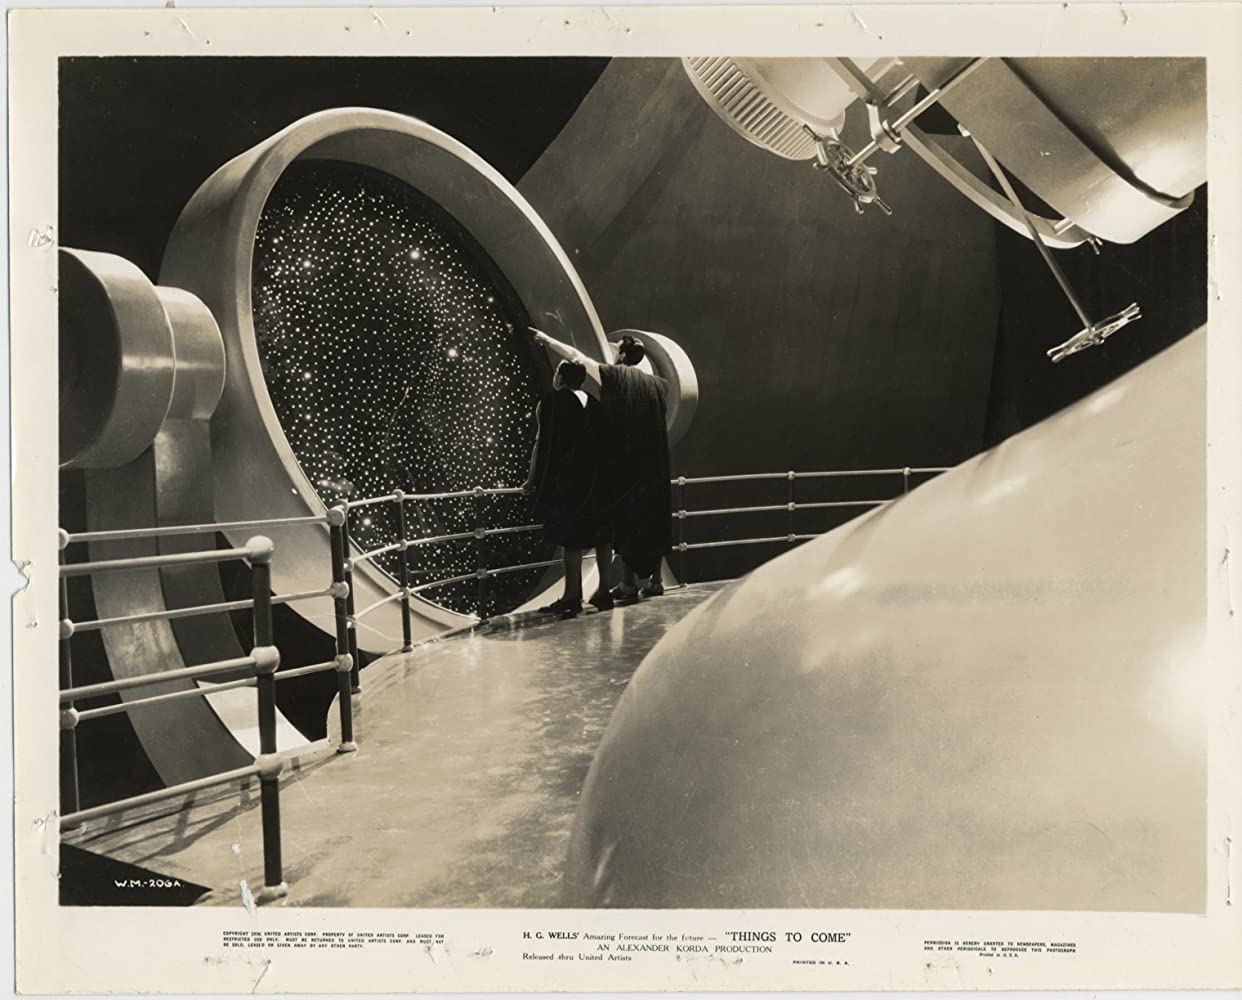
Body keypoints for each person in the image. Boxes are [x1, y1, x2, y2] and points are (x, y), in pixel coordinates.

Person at [529, 328, 672, 601]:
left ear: (623, 355)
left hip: (626, 462)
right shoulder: (657, 384)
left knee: (626, 521)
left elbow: (577, 356)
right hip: (654, 464)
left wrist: (547, 340)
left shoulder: (614, 376)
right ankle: (655, 581)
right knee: (653, 518)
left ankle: (628, 584)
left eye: (616, 348)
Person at [522, 360, 614, 618]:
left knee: (571, 540)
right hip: (598, 481)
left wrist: (531, 481)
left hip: (569, 483)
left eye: (556, 373)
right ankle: (604, 592)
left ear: (561, 378)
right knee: (603, 537)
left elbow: (542, 445)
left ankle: (572, 596)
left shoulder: (550, 403)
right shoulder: (595, 404)